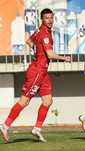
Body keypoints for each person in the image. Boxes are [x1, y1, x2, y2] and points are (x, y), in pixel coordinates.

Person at [0, 8, 71, 143]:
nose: (50, 20)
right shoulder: (45, 34)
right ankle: (5, 125)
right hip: (37, 72)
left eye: (51, 17)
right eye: (47, 18)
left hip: (43, 72)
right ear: (42, 19)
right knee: (24, 101)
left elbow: (29, 41)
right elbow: (50, 54)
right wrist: (64, 58)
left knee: (48, 100)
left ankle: (37, 129)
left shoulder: (40, 31)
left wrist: (37, 50)